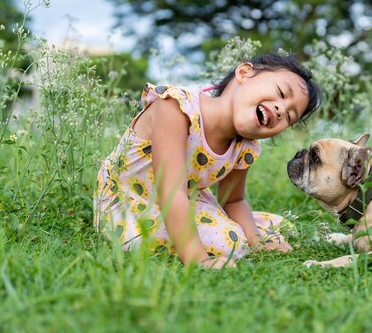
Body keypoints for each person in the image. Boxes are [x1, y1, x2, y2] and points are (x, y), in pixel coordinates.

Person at [93, 54, 320, 268]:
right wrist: (198, 260)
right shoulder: (175, 108)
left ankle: (230, 230)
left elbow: (232, 200)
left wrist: (257, 242)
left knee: (275, 227)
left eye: (289, 117)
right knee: (227, 241)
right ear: (244, 73)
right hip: (128, 199)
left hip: (185, 198)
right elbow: (172, 193)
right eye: (281, 92)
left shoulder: (244, 146)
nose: (281, 110)